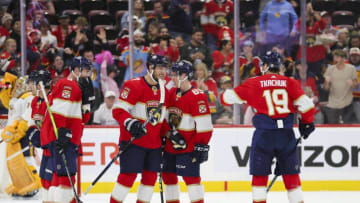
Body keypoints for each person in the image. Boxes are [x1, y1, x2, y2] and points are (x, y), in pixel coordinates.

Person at [220, 51, 315, 203]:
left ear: (265, 66)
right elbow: (308, 107)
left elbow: (225, 99)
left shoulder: (254, 82)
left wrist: (240, 92)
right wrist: (307, 123)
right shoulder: (290, 82)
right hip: (286, 135)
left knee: (259, 176)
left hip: (264, 135)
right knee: (291, 176)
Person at [30, 57, 94, 202]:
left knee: (65, 176)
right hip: (62, 137)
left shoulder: (79, 87)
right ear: (76, 70)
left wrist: (88, 102)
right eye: (86, 70)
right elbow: (58, 112)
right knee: (66, 176)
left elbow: (84, 119)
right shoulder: (67, 84)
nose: (89, 74)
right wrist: (62, 132)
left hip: (69, 138)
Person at [110, 54, 170, 203]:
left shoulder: (165, 91)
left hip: (154, 146)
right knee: (127, 179)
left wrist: (169, 133)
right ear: (150, 68)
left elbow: (160, 121)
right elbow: (118, 110)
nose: (163, 71)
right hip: (133, 143)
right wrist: (131, 123)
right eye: (160, 68)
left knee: (149, 182)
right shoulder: (134, 85)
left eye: (165, 68)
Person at [162, 60, 213, 203]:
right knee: (168, 178)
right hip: (169, 147)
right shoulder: (171, 93)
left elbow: (205, 125)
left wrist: (201, 145)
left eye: (175, 74)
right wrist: (166, 134)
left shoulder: (197, 96)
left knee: (192, 180)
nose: (172, 77)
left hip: (188, 148)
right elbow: (163, 118)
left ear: (184, 75)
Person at [0, 74, 41, 197]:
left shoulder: (28, 98)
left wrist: (19, 132)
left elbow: (27, 118)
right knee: (15, 163)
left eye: (19, 85)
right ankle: (21, 185)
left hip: (23, 135)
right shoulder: (17, 99)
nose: (17, 87)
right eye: (16, 84)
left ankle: (33, 184)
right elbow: (9, 106)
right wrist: (6, 87)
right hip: (14, 137)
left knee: (27, 159)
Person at [323, 49, 358, 124]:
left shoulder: (351, 68)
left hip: (347, 103)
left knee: (348, 126)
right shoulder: (330, 69)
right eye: (334, 57)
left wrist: (352, 84)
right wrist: (326, 82)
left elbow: (356, 86)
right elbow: (325, 88)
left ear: (343, 58)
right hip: (333, 103)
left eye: (337, 57)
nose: (335, 59)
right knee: (332, 127)